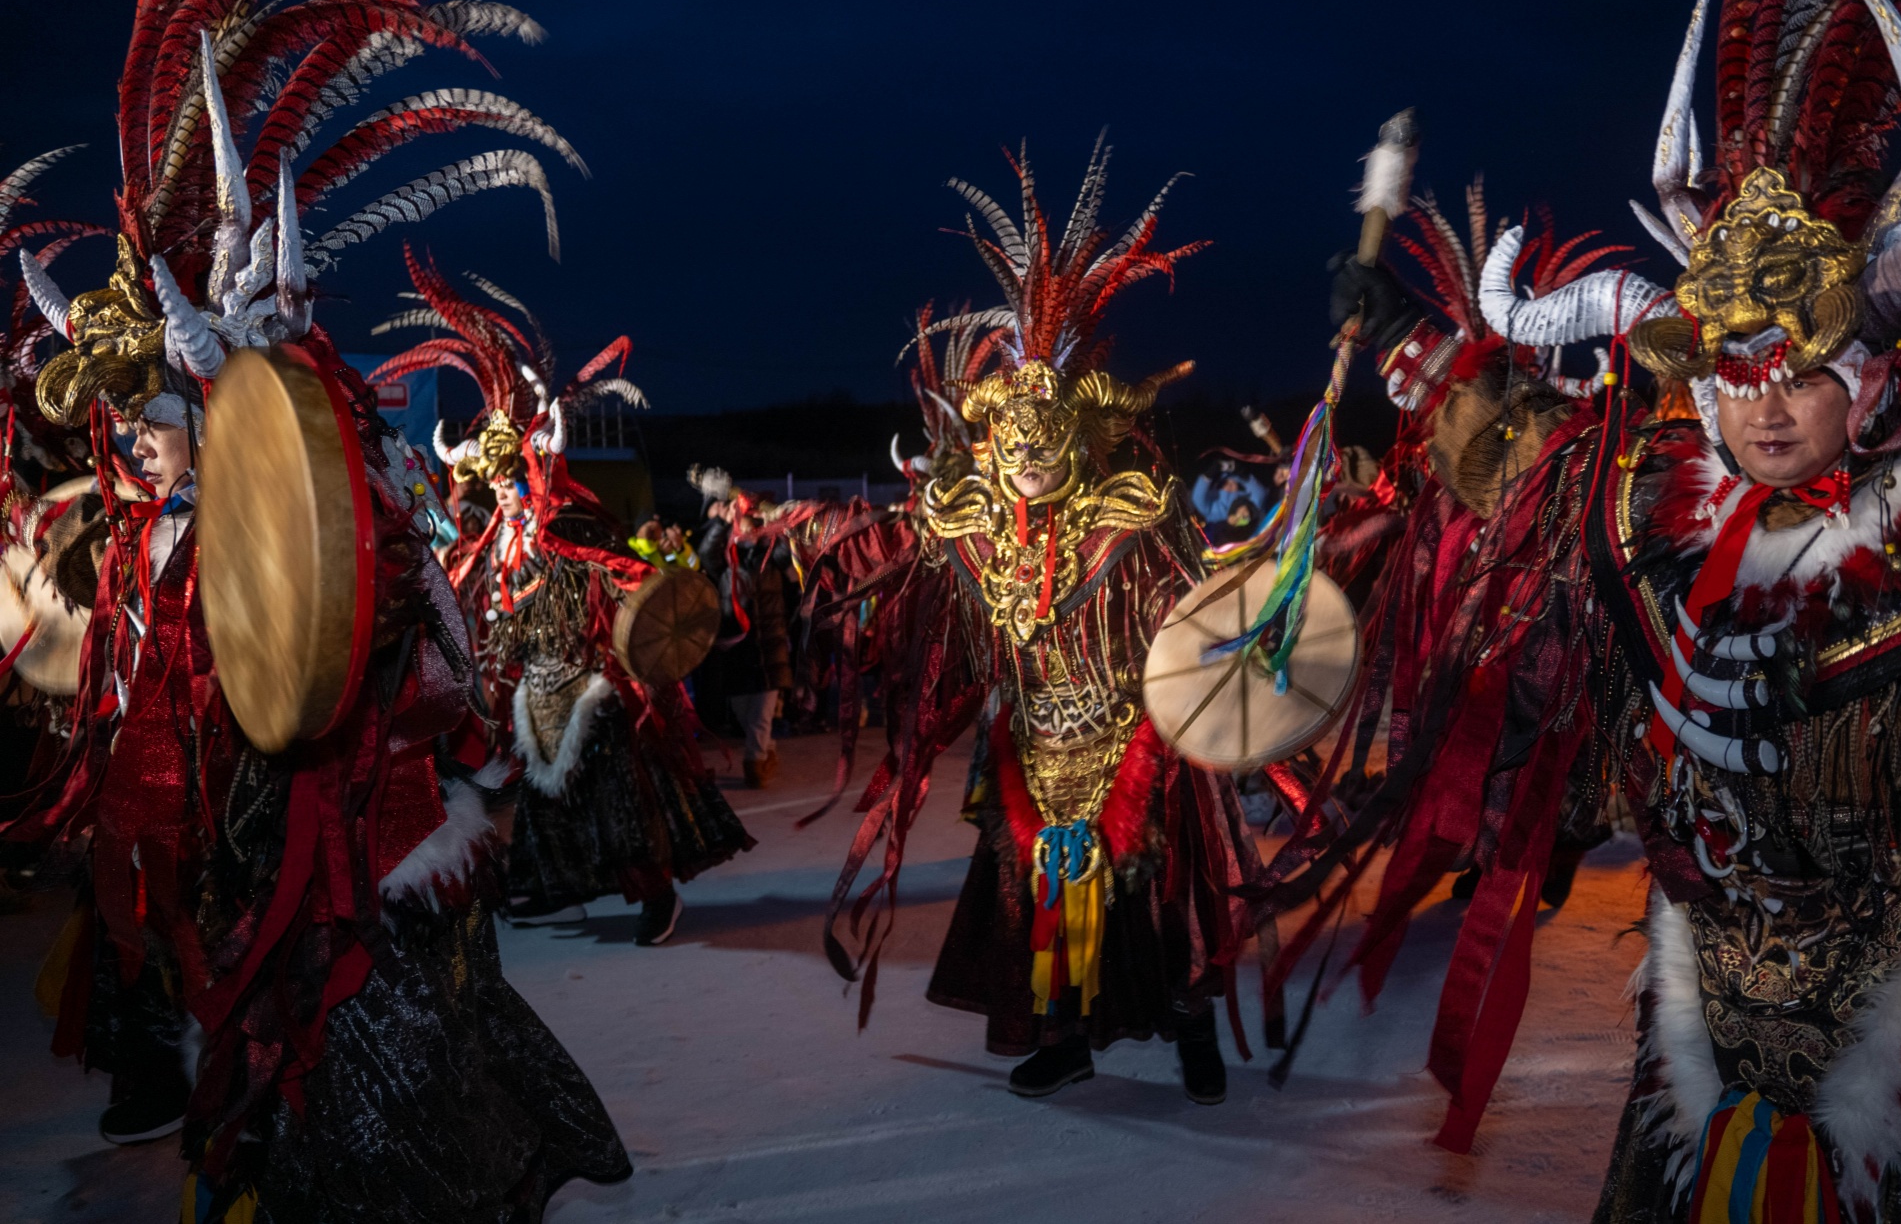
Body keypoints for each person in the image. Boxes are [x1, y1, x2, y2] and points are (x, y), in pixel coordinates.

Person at [1282, 0, 1901, 1216]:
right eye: (1731, 373)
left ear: (1871, 370)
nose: (1763, 405)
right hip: (1701, 1030)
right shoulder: (1646, 521)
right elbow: (1505, 457)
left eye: (1798, 373)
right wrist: (1396, 341)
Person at [1, 0, 630, 1215]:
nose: (138, 447)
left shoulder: (346, 515)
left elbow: (400, 661)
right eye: (124, 427)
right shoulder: (142, 535)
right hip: (212, 827)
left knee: (368, 1056)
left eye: (154, 423)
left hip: (346, 826)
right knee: (267, 1053)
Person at [812, 140, 1262, 1105]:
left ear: (1080, 437)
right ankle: (1065, 1034)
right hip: (1033, 738)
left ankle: (1189, 1023)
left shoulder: (1130, 518)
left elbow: (1192, 615)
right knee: (1043, 894)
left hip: (1130, 731)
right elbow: (934, 607)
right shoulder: (973, 530)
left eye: (1043, 433)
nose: (1023, 449)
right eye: (1007, 436)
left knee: (1157, 892)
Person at [373, 250, 754, 946]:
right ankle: (550, 889)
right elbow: (477, 600)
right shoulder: (497, 533)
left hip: (593, 684)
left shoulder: (568, 523)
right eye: (493, 482)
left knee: (618, 799)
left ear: (532, 463)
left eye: (510, 475)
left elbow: (615, 576)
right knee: (550, 805)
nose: (502, 491)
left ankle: (655, 894)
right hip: (533, 689)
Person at [692, 473, 794, 788]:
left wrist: (774, 527)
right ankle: (766, 750)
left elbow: (788, 553)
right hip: (736, 646)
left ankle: (754, 762)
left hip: (769, 644)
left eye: (751, 520)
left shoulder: (770, 554)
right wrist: (724, 524)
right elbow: (706, 554)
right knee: (742, 710)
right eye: (743, 519)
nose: (747, 526)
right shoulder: (724, 560)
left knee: (762, 713)